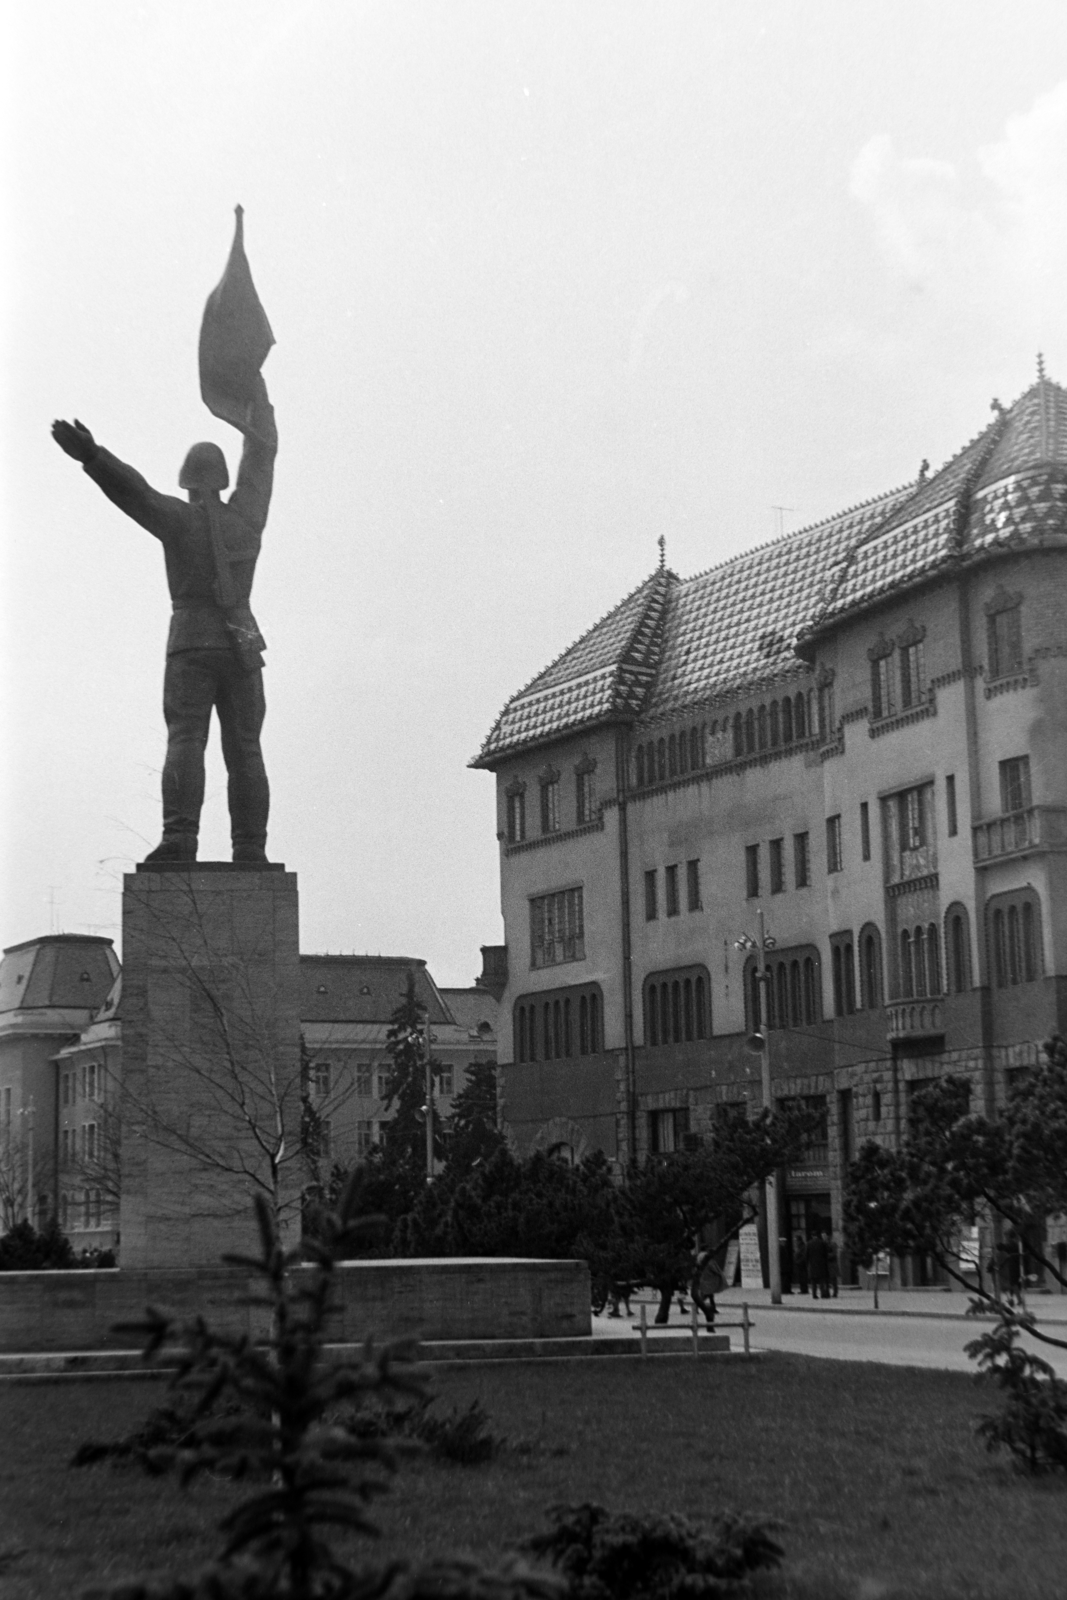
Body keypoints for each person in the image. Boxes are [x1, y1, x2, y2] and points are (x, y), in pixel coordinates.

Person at [51, 384, 277, 865]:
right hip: (241, 644)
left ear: (188, 482)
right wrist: (253, 392)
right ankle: (251, 848)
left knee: (186, 739)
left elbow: (134, 492)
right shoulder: (248, 520)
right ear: (220, 478)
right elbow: (261, 457)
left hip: (192, 643)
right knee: (247, 751)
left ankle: (180, 838)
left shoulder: (177, 519)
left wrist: (92, 456)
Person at [806, 1229, 829, 1299]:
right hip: (821, 1265)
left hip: (812, 1265)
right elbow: (825, 1254)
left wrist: (808, 1263)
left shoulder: (809, 1243)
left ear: (812, 1236)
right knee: (822, 1281)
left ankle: (814, 1295)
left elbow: (806, 1255)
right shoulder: (822, 1243)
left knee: (813, 1282)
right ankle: (823, 1294)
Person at [793, 1230, 809, 1295]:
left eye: (796, 1240)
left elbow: (804, 1256)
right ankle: (802, 1289)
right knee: (800, 1278)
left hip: (802, 1265)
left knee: (803, 1277)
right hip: (799, 1264)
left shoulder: (802, 1246)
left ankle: (804, 1289)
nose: (795, 1242)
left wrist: (798, 1261)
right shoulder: (798, 1247)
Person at [826, 1232, 840, 1299]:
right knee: (829, 1280)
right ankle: (830, 1292)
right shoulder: (825, 1244)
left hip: (832, 1265)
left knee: (833, 1280)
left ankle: (835, 1292)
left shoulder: (833, 1244)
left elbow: (834, 1254)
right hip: (828, 1265)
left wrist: (826, 1255)